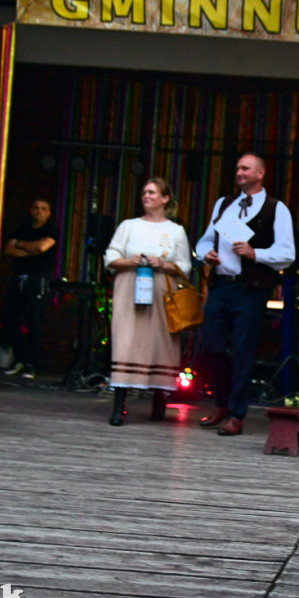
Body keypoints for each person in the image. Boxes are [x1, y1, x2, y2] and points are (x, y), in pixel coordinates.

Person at [193, 153, 295, 436]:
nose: (239, 172)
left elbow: (287, 254)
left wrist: (255, 253)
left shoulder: (276, 208)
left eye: (245, 168)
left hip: (250, 289)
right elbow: (203, 241)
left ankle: (236, 414)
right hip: (221, 285)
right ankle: (223, 403)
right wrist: (206, 254)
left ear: (260, 173)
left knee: (242, 350)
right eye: (237, 167)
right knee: (211, 344)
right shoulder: (224, 204)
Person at [103, 178, 191, 426]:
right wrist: (131, 261)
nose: (146, 196)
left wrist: (163, 264)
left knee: (160, 341)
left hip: (161, 291)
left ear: (165, 199)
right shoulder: (128, 226)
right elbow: (111, 255)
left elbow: (185, 266)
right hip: (129, 288)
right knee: (125, 341)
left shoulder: (176, 231)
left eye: (152, 192)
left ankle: (159, 400)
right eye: (144, 192)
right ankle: (119, 405)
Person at [0, 199, 59, 380]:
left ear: (48, 213)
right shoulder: (22, 228)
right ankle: (20, 359)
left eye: (43, 209)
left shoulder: (51, 230)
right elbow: (9, 250)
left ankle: (31, 364)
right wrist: (30, 248)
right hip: (19, 276)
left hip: (38, 277)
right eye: (36, 207)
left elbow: (42, 246)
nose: (39, 211)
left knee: (34, 319)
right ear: (30, 209)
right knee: (10, 317)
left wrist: (21, 244)